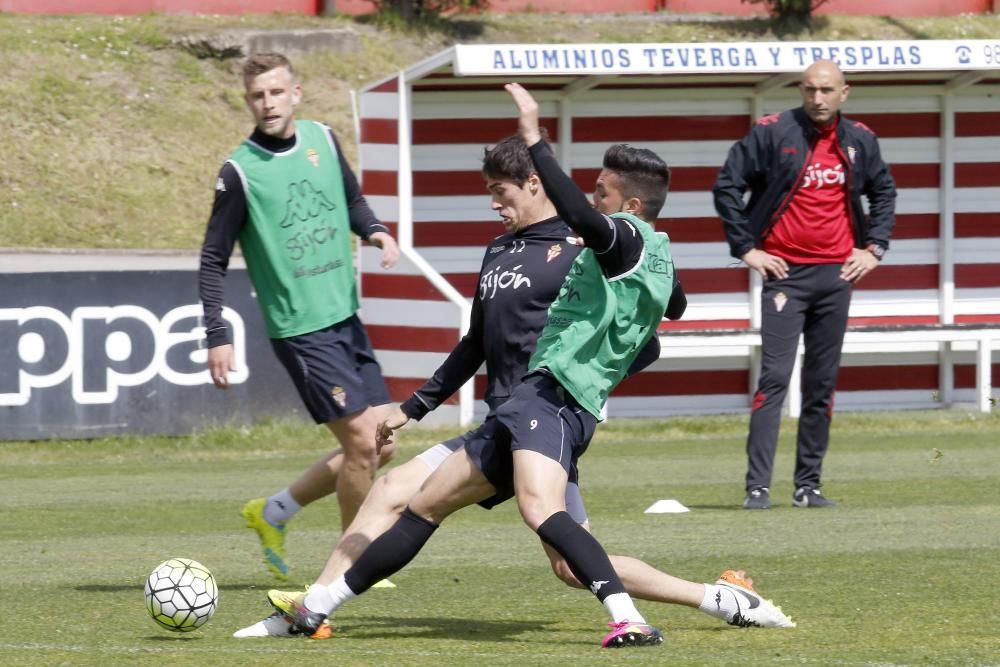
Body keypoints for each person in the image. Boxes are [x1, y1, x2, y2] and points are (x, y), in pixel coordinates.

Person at [255, 82, 785, 649]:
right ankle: (315, 602)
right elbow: (476, 341)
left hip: (546, 415)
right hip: (506, 418)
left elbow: (655, 316)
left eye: (500, 191)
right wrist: (415, 407)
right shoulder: (498, 251)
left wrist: (596, 373)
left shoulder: (588, 244)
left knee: (549, 544)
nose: (493, 203)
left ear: (534, 183)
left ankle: (689, 603)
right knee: (403, 495)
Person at [198, 52, 400, 579]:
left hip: (345, 316)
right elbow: (212, 258)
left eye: (275, 92)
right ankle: (351, 568)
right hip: (302, 330)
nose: (267, 103)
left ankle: (273, 512)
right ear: (249, 102)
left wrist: (375, 230)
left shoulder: (323, 140)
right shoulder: (239, 172)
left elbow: (352, 201)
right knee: (360, 444)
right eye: (257, 96)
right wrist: (217, 333)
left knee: (383, 443)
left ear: (296, 93)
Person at [712, 60, 897, 510]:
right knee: (774, 378)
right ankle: (757, 487)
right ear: (801, 89)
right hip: (784, 277)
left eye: (827, 90)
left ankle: (807, 487)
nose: (818, 98)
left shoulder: (860, 140)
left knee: (821, 383)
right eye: (811, 89)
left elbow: (885, 192)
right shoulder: (772, 132)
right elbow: (726, 185)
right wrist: (747, 249)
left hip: (836, 276)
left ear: (844, 93)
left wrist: (873, 249)